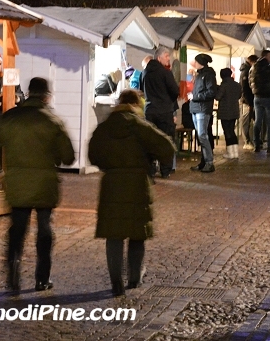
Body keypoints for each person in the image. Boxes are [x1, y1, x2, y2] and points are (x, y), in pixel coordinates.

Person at [0, 78, 75, 292]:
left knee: (18, 228)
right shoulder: (52, 121)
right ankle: (42, 278)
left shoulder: (10, 118)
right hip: (44, 183)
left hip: (17, 181)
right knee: (44, 229)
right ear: (46, 96)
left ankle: (13, 274)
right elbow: (68, 157)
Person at [88, 89, 175, 297]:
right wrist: (151, 159)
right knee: (137, 233)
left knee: (114, 234)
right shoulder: (140, 126)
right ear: (137, 104)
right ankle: (134, 279)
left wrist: (108, 166)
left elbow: (93, 154)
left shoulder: (105, 127)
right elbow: (167, 148)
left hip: (112, 184)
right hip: (138, 184)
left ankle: (116, 282)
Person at [142, 46, 180, 178]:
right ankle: (165, 170)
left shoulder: (145, 73)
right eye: (166, 56)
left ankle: (151, 170)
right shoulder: (165, 73)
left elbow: (143, 90)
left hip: (149, 111)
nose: (169, 59)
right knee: (166, 141)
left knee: (150, 141)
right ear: (159, 58)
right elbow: (175, 91)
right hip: (164, 111)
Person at [189, 54, 217, 172]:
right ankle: (203, 162)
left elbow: (211, 92)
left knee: (202, 135)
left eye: (196, 61)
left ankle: (209, 162)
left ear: (200, 62)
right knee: (201, 137)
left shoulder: (208, 75)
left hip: (202, 109)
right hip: (196, 108)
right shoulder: (199, 75)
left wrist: (194, 96)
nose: (194, 63)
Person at [249, 50, 270, 153]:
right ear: (265, 56)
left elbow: (250, 81)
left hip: (257, 97)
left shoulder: (254, 67)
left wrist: (254, 91)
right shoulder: (268, 68)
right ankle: (269, 146)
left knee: (258, 121)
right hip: (268, 97)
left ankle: (257, 145)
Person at [215, 67, 243, 159]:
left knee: (227, 132)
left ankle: (230, 152)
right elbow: (239, 96)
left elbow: (218, 97)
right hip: (234, 111)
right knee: (232, 131)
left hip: (224, 112)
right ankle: (235, 152)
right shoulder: (237, 85)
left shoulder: (223, 85)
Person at [239, 55, 258, 150]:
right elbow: (244, 89)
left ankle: (250, 140)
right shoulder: (246, 72)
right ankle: (247, 141)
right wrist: (249, 102)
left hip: (249, 101)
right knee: (246, 122)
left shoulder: (248, 71)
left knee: (250, 121)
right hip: (247, 102)